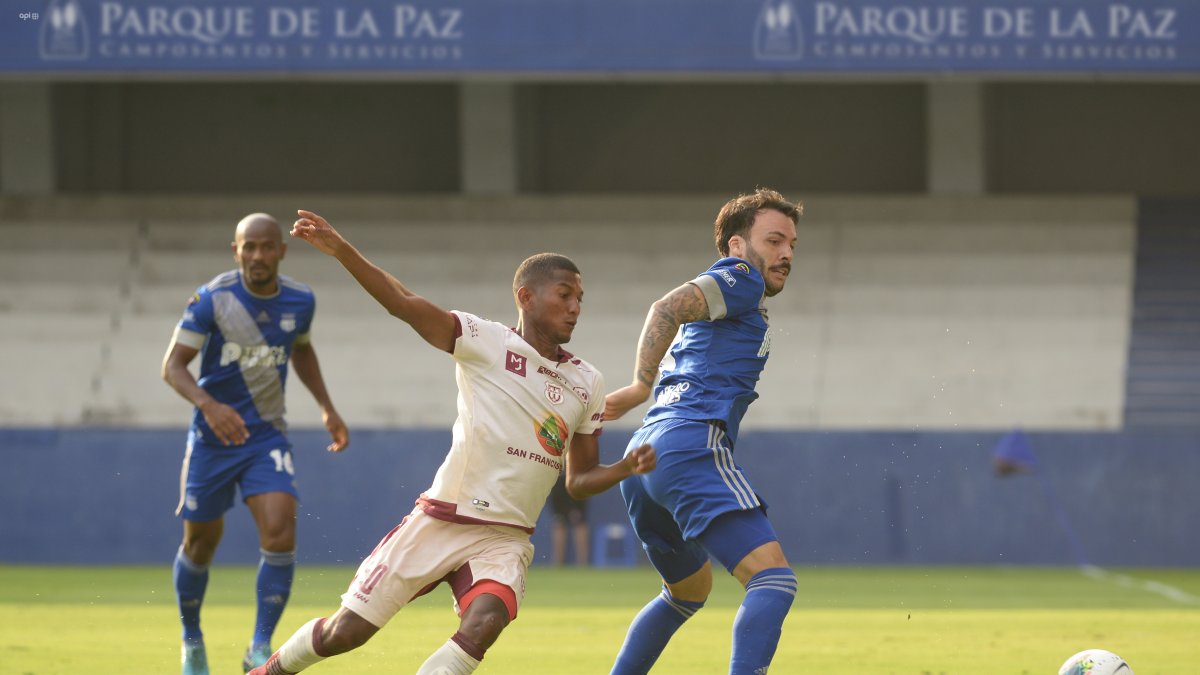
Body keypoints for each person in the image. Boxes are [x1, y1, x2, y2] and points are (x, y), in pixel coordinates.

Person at [248, 210, 656, 675]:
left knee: (486, 623)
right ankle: (267, 671)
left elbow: (579, 481)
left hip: (506, 538)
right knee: (347, 633)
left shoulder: (588, 381)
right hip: (441, 519)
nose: (575, 306)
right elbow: (402, 301)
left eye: (580, 298)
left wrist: (626, 467)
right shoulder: (484, 341)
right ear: (525, 296)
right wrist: (342, 250)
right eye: (565, 295)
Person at [604, 188, 801, 675]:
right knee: (773, 580)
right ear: (737, 245)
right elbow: (667, 307)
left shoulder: (732, 303)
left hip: (644, 453)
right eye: (774, 240)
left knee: (687, 592)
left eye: (792, 244)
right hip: (688, 444)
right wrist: (638, 385)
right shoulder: (741, 278)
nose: (786, 254)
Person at [162, 213, 350, 675]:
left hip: (266, 435)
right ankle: (192, 641)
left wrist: (326, 405)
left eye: (267, 247)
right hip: (212, 438)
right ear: (236, 250)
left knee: (281, 531)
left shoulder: (300, 301)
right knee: (201, 545)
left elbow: (300, 349)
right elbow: (173, 367)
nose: (258, 256)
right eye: (249, 247)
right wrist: (209, 406)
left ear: (281, 252)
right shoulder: (212, 299)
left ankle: (260, 646)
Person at [549, 471, 590, 566]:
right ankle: (557, 562)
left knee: (579, 523)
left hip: (577, 478)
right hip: (559, 480)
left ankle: (583, 563)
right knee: (559, 523)